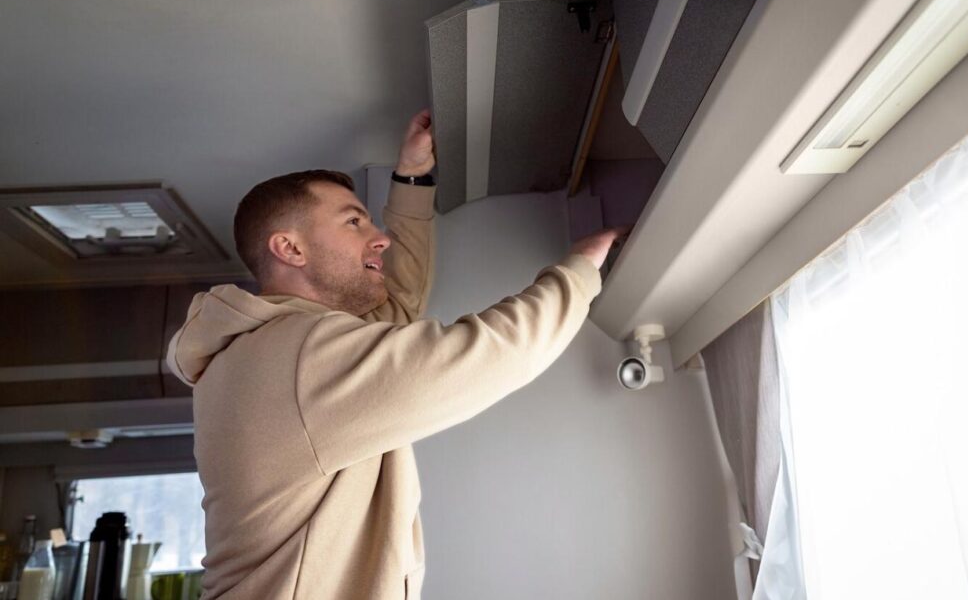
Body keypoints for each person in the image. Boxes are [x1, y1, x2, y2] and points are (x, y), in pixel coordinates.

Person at [165, 110, 626, 599]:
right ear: (290, 249)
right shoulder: (298, 357)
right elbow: (490, 356)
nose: (379, 237)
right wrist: (581, 269)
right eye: (353, 222)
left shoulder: (271, 348)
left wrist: (412, 177)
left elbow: (396, 302)